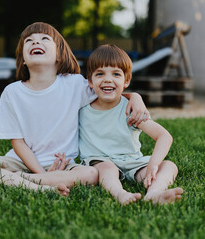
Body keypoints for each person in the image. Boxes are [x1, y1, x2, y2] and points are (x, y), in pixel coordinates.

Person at [0, 22, 149, 196]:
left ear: (59, 55)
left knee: (91, 174)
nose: (36, 42)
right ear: (23, 58)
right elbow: (18, 143)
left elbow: (107, 92)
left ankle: (21, 181)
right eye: (29, 41)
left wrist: (135, 97)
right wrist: (42, 173)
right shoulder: (12, 93)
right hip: (20, 162)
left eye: (44, 39)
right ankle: (39, 187)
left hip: (63, 164)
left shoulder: (74, 84)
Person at [78, 44, 183, 205]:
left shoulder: (131, 108)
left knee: (169, 166)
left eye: (116, 74)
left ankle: (154, 193)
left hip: (132, 161)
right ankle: (120, 194)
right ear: (90, 82)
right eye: (100, 74)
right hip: (98, 162)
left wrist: (153, 165)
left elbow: (164, 136)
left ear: (126, 81)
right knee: (108, 168)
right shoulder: (82, 109)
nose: (108, 79)